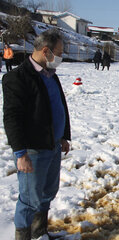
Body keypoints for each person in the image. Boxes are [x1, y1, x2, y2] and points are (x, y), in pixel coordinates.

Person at [2, 29, 71, 240]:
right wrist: (20, 153)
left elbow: (58, 107)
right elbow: (12, 118)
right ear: (46, 51)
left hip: (53, 146)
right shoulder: (17, 78)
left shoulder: (51, 75)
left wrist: (64, 136)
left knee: (48, 192)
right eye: (59, 52)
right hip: (33, 151)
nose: (61, 56)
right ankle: (22, 236)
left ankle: (40, 232)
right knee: (29, 199)